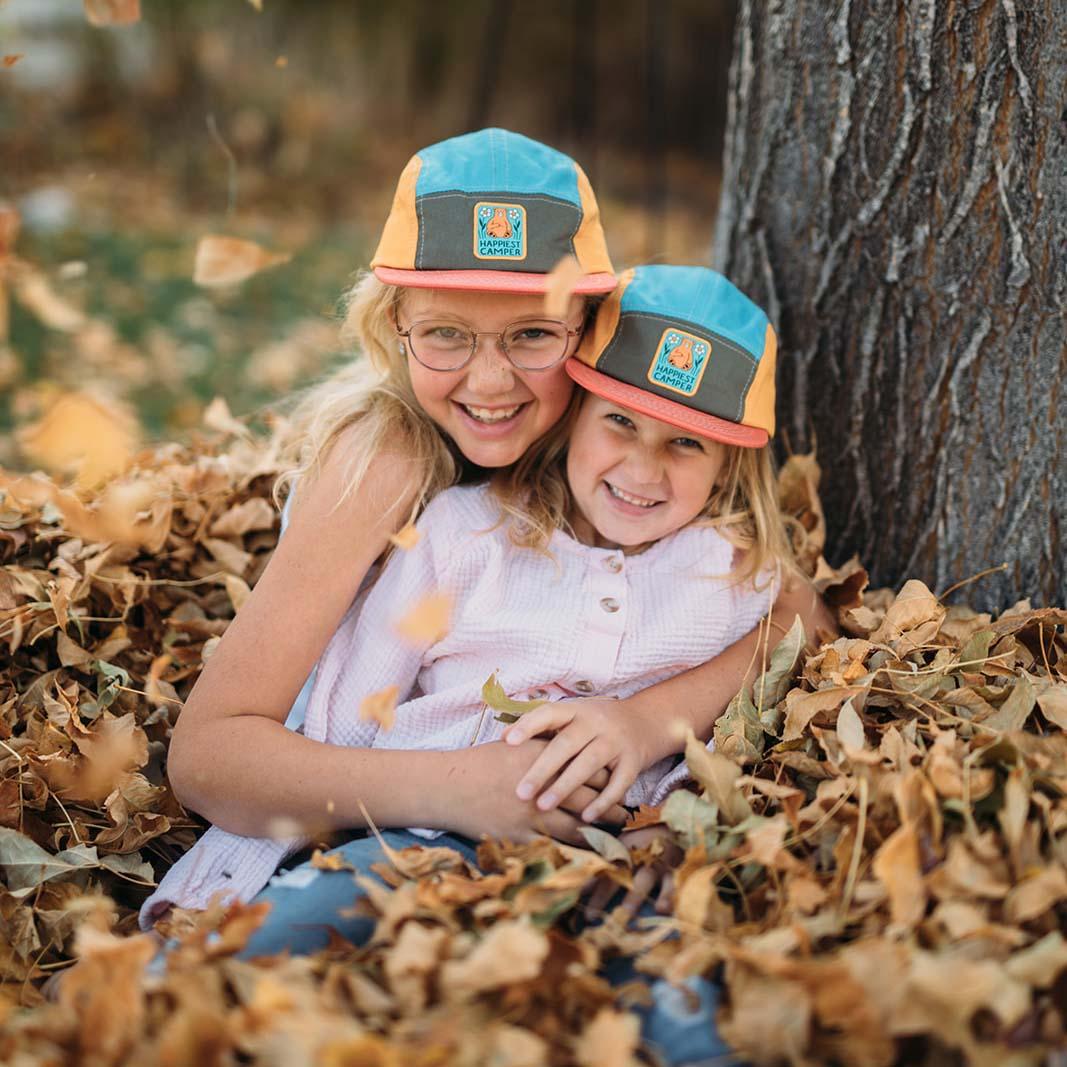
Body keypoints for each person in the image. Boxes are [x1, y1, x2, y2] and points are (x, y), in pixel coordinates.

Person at [143, 265, 832, 1064]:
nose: (643, 470)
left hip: (611, 853)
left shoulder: (722, 566)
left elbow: (803, 623)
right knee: (289, 940)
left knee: (681, 1012)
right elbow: (345, 707)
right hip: (417, 832)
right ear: (577, 413)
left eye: (685, 442)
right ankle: (148, 1010)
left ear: (727, 466)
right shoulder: (465, 533)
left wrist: (648, 735)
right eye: (620, 424)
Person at [162, 129, 828, 862]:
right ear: (394, 325)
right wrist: (455, 789)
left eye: (533, 335)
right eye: (445, 334)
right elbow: (206, 757)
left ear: (590, 335)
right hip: (364, 814)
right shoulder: (386, 461)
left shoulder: (596, 449)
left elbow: (794, 607)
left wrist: (650, 721)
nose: (489, 383)